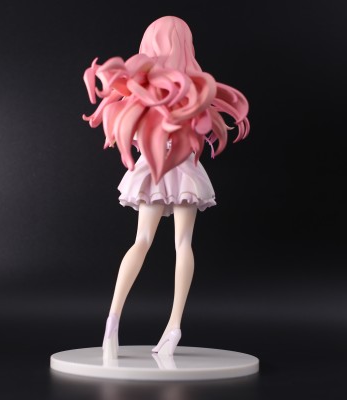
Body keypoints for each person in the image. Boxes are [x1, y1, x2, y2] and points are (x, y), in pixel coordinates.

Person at [82, 15, 250, 358]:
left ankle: (112, 323)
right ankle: (174, 327)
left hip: (155, 171)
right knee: (183, 243)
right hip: (185, 172)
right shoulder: (196, 90)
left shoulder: (141, 90)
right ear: (187, 46)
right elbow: (202, 131)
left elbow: (133, 133)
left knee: (141, 241)